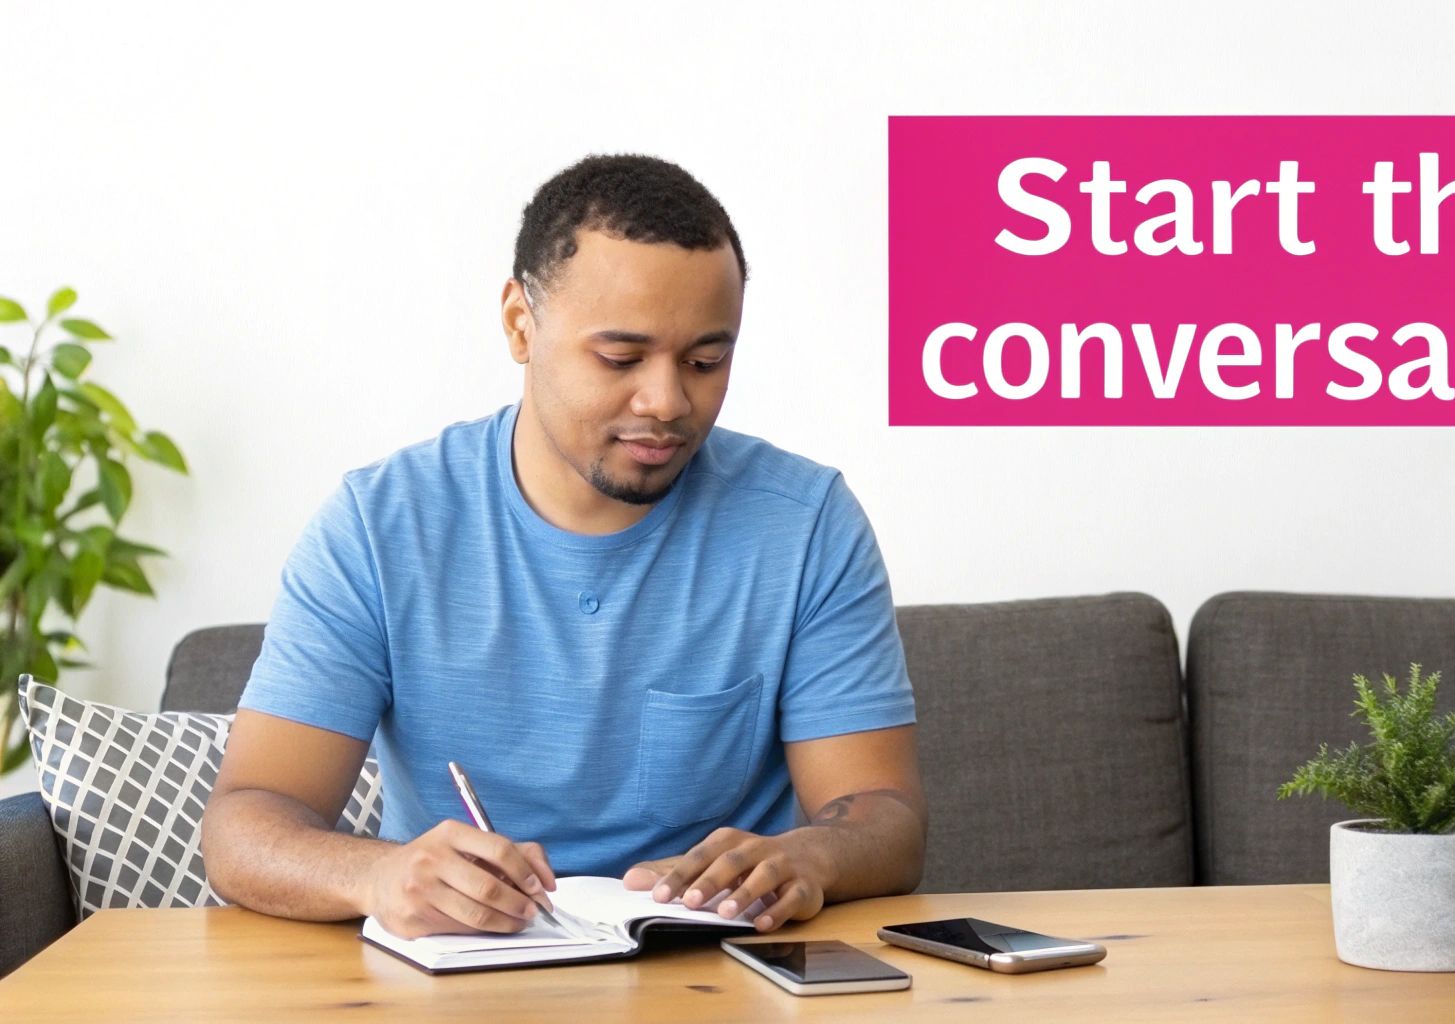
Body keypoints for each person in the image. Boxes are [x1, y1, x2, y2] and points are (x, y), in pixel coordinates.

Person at [200, 154, 925, 940]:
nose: (667, 401)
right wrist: (376, 874)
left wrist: (812, 856)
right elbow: (244, 824)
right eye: (620, 359)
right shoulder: (380, 528)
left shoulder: (806, 524)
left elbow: (886, 816)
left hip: (718, 971)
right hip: (464, 969)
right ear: (520, 323)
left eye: (705, 361)